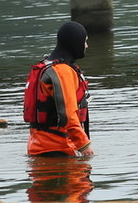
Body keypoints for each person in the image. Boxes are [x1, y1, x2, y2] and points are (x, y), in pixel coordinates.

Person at [24, 21, 94, 157]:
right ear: (75, 42)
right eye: (84, 41)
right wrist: (84, 145)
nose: (86, 46)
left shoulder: (46, 65)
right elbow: (69, 115)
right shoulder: (63, 71)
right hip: (59, 149)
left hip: (39, 148)